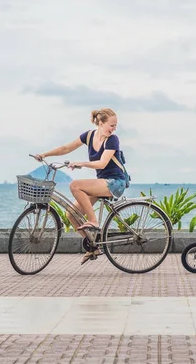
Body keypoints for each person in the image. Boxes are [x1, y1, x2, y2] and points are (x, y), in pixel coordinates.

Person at [33, 108, 127, 263]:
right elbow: (66, 148)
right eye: (112, 125)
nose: (114, 128)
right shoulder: (89, 136)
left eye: (115, 125)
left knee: (75, 185)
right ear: (101, 123)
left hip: (115, 182)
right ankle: (93, 246)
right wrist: (45, 154)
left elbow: (102, 163)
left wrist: (81, 163)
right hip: (101, 183)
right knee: (71, 214)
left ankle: (93, 221)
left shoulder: (112, 140)